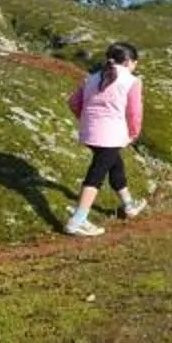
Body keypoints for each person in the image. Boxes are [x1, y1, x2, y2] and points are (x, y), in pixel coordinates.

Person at [63, 42, 146, 236]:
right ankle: (78, 220)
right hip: (112, 135)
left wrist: (87, 120)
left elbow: (73, 102)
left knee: (115, 165)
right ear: (128, 62)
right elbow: (135, 113)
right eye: (135, 62)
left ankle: (129, 206)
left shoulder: (91, 78)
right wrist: (133, 133)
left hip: (90, 132)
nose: (135, 66)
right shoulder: (132, 81)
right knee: (96, 175)